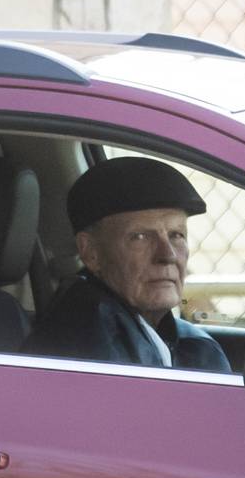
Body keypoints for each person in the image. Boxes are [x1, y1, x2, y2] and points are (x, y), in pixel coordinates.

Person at [27, 156, 231, 372]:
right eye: (141, 237)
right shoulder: (89, 346)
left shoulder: (153, 331)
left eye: (176, 235)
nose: (168, 255)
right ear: (91, 252)